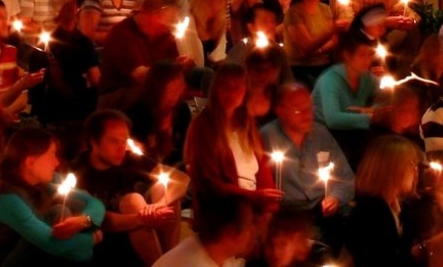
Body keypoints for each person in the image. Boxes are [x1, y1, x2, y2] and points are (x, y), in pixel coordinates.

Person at [0, 126, 105, 267]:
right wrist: (92, 238)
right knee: (57, 222)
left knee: (64, 210)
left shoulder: (43, 178)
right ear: (30, 162)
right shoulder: (5, 198)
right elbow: (49, 242)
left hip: (29, 246)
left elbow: (94, 203)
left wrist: (85, 221)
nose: (57, 162)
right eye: (52, 155)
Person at [73, 110, 180, 266]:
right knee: (133, 201)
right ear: (94, 141)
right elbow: (99, 221)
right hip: (108, 245)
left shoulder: (129, 159)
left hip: (146, 237)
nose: (121, 148)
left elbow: (180, 179)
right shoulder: (77, 173)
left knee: (165, 188)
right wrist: (141, 218)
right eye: (114, 141)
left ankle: (171, 261)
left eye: (124, 141)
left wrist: (158, 206)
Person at [183, 63, 282, 207]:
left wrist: (269, 206)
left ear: (245, 91)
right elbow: (209, 183)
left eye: (237, 88)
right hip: (224, 208)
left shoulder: (248, 126)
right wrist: (252, 196)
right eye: (226, 87)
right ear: (216, 89)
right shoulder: (203, 127)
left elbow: (262, 170)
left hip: (253, 204)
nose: (231, 93)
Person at [261, 83, 355, 226]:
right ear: (280, 111)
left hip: (322, 210)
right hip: (286, 215)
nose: (307, 115)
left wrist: (334, 198)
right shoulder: (266, 138)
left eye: (309, 108)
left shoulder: (321, 134)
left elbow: (346, 179)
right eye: (298, 111)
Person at [343, 135, 422, 267]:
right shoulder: (367, 216)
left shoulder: (403, 209)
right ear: (392, 170)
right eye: (411, 164)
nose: (416, 171)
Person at [98, 0, 184, 111]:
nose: (173, 25)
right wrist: (172, 68)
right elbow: (140, 76)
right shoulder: (123, 34)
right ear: (156, 16)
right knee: (157, 93)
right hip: (117, 96)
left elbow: (173, 63)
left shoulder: (164, 35)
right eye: (171, 20)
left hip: (151, 89)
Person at [311, 32, 382, 165]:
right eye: (362, 55)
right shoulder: (330, 79)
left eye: (370, 54)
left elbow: (385, 99)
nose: (367, 60)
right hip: (324, 134)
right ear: (347, 55)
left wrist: (369, 110)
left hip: (350, 133)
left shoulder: (366, 77)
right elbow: (333, 119)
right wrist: (372, 116)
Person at [152, 194, 256, 267]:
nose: (252, 231)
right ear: (230, 232)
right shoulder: (192, 262)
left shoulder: (219, 256)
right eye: (249, 225)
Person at [283, 0, 337, 84]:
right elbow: (306, 49)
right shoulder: (294, 13)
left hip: (325, 64)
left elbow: (334, 41)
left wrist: (318, 50)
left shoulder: (325, 9)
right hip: (301, 69)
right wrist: (331, 32)